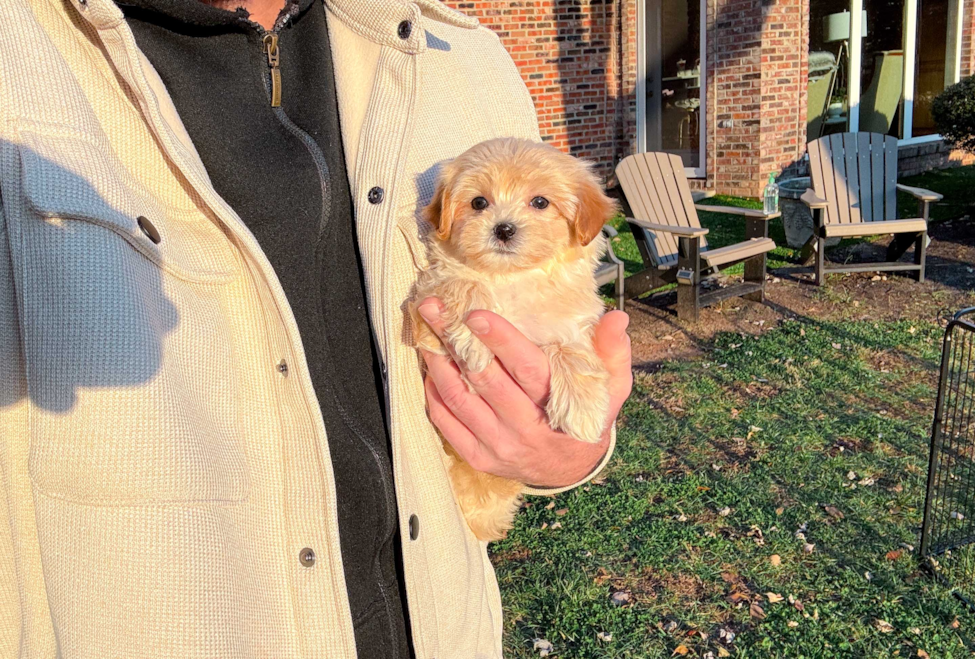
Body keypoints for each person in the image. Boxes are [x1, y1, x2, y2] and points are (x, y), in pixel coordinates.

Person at [0, 0, 633, 656]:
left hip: (440, 630)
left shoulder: (464, 59)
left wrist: (567, 450)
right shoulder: (22, 50)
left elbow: (554, 319)